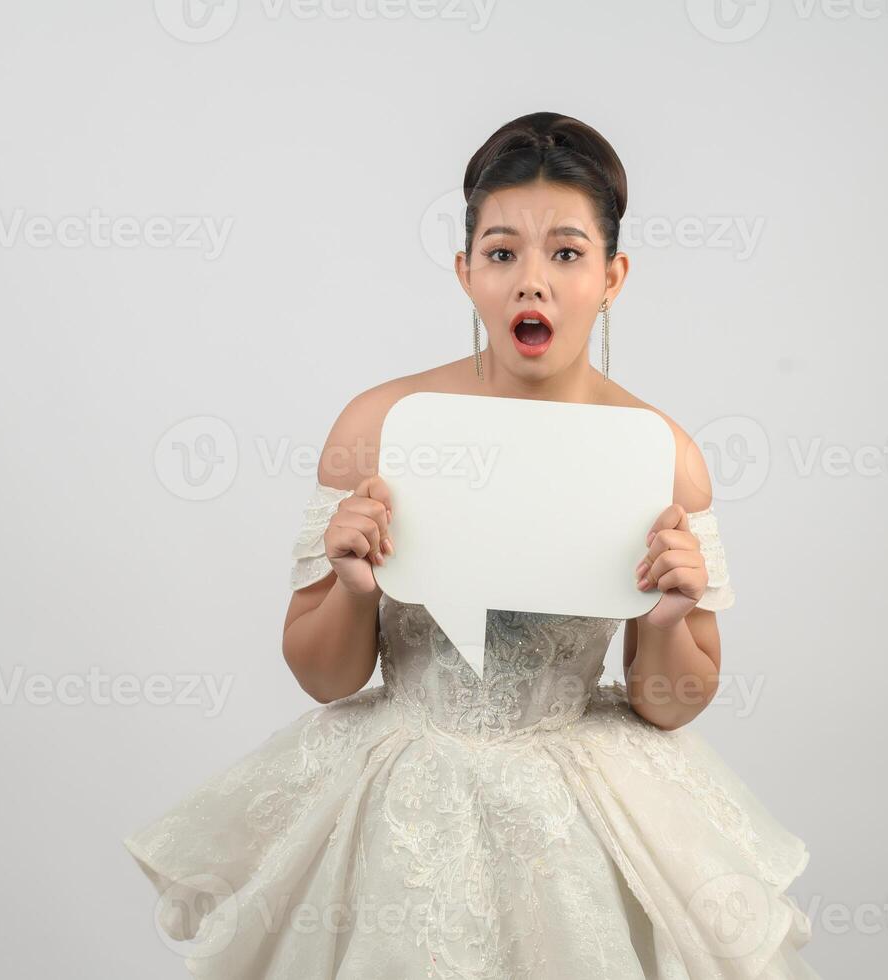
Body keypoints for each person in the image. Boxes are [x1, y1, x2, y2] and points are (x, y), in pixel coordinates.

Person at [124, 111, 821, 979]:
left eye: (566, 253)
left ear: (613, 275)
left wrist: (671, 615)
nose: (532, 281)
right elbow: (325, 676)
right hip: (402, 794)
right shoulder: (380, 428)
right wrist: (350, 586)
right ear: (465, 272)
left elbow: (668, 703)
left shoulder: (660, 456)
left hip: (581, 805)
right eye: (502, 253)